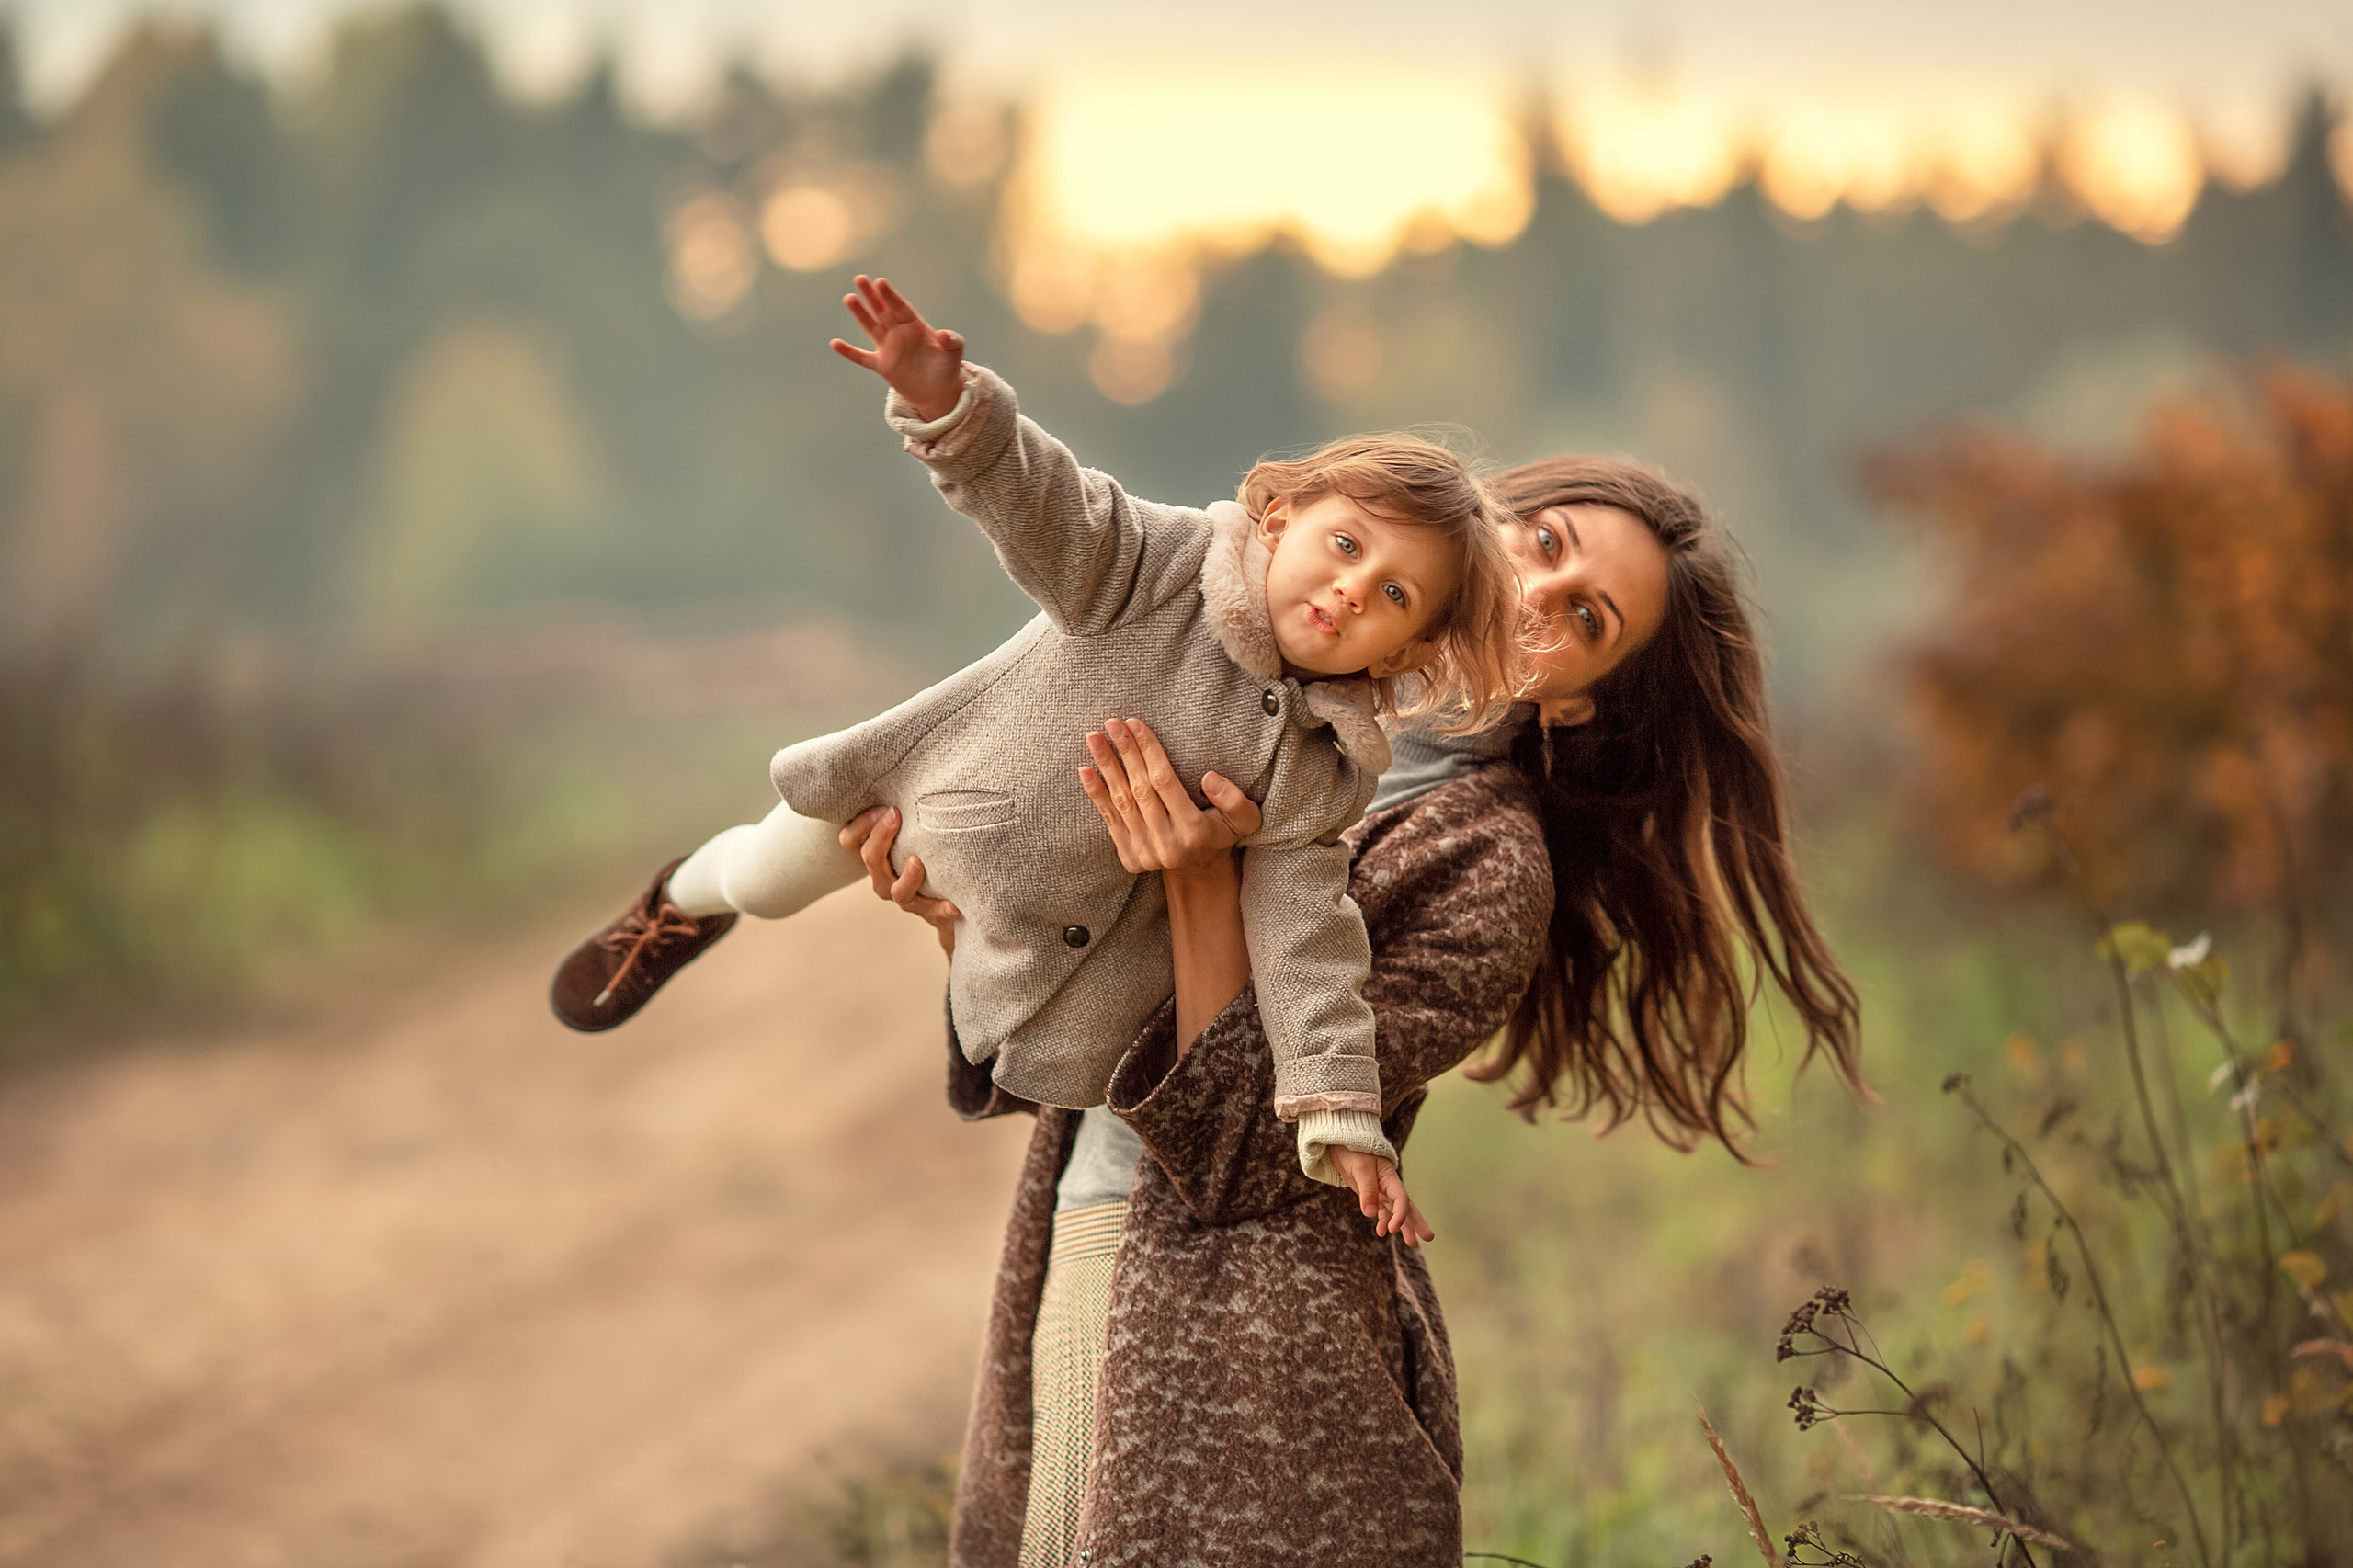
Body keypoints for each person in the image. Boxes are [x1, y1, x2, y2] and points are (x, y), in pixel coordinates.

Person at [847, 455, 1864, 1566]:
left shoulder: (1487, 871)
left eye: (1584, 615)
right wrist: (966, 920)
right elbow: (1093, 1015)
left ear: (1578, 698)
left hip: (1246, 1355)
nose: (1532, 593)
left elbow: (1240, 1145)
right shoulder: (1250, 692)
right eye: (1543, 542)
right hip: (1081, 1220)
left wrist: (1199, 881)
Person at [550, 276, 1524, 1223]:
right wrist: (950, 411)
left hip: (1047, 948)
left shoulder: (1321, 768)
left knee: (1082, 1059)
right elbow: (1049, 505)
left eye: (1396, 595)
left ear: (1410, 648)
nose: (1355, 589)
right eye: (1347, 545)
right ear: (1280, 519)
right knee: (766, 879)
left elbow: (1307, 934)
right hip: (915, 801)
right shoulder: (1160, 566)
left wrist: (1338, 1108)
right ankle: (678, 900)